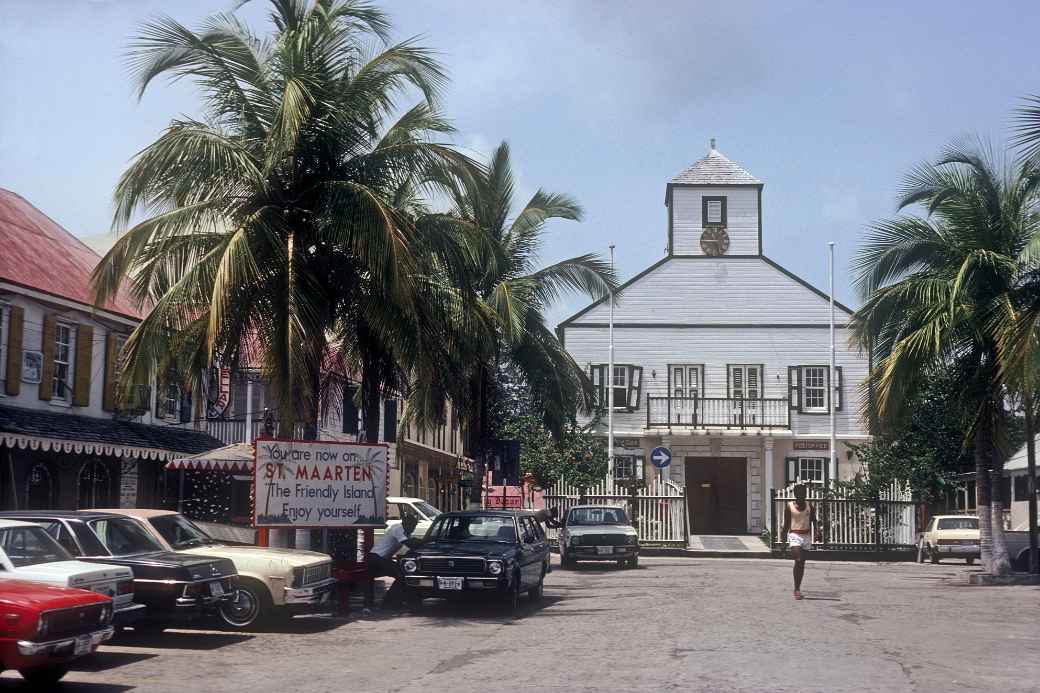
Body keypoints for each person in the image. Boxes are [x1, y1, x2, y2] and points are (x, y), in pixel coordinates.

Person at [366, 514, 420, 610]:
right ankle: (388, 602)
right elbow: (409, 544)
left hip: (381, 558)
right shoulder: (397, 528)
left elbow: (410, 544)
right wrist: (423, 541)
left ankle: (373, 604)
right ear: (406, 524)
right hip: (377, 557)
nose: (413, 529)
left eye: (414, 527)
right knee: (401, 575)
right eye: (412, 526)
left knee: (371, 581)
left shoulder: (405, 531)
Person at [780, 484, 820, 600]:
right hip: (795, 535)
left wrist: (817, 531)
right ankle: (796, 590)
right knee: (798, 559)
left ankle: (797, 587)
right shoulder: (790, 507)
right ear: (796, 495)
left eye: (804, 494)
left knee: (801, 563)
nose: (802, 496)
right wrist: (783, 541)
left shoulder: (809, 506)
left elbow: (814, 520)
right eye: (800, 494)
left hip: (806, 535)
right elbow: (786, 525)